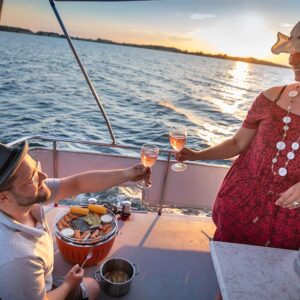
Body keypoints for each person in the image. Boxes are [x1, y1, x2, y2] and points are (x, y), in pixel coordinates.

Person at [177, 21, 300, 251]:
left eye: (299, 53)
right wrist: (197, 155)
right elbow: (237, 143)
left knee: (274, 277)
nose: (292, 60)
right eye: (292, 53)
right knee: (226, 267)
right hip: (241, 203)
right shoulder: (271, 97)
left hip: (290, 218)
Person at [0, 141, 151, 300]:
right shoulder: (17, 260)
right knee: (92, 286)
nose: (43, 176)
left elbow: (76, 184)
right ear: (3, 196)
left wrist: (127, 174)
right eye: (31, 178)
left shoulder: (26, 199)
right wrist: (69, 284)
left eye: (35, 168)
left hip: (34, 284)